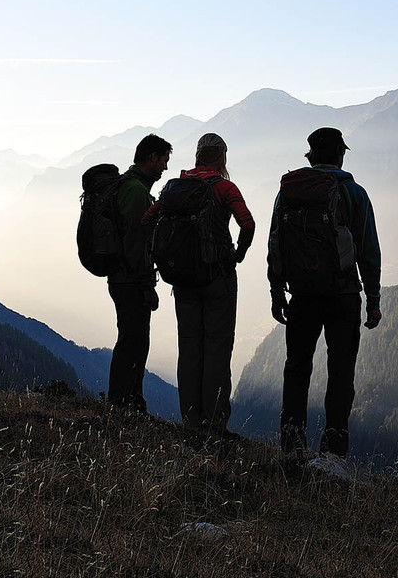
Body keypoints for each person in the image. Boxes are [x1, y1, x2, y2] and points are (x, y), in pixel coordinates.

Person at [267, 127, 381, 458]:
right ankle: (333, 453)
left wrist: (277, 293)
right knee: (341, 371)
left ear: (311, 156)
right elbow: (368, 251)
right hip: (343, 295)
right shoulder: (354, 193)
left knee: (297, 367)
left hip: (301, 294)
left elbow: (276, 244)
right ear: (341, 155)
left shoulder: (288, 192)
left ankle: (291, 446)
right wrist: (372, 302)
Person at [144, 133, 255, 433]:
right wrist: (238, 255)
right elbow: (247, 222)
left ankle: (190, 420)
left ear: (197, 155)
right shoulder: (224, 187)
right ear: (221, 156)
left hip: (182, 279)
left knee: (189, 347)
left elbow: (148, 219)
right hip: (218, 277)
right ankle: (214, 422)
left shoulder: (174, 188)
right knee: (217, 349)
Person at [106, 134, 171, 412]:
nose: (165, 168)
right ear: (153, 158)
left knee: (133, 339)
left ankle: (129, 399)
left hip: (123, 277)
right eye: (163, 161)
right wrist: (146, 283)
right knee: (133, 340)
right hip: (130, 279)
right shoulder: (134, 191)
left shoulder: (131, 186)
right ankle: (123, 402)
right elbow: (136, 241)